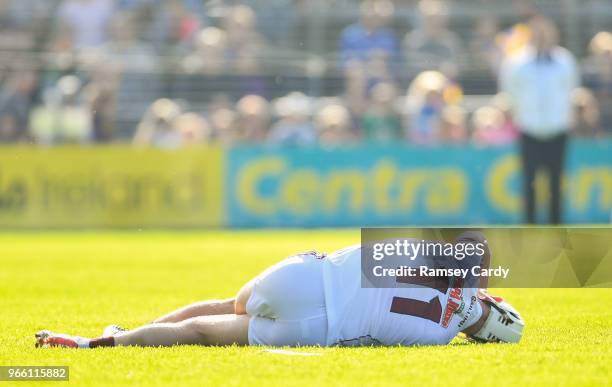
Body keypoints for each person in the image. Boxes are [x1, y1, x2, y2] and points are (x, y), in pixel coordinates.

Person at [35, 231, 524, 348]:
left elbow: (474, 243)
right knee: (209, 333)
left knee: (231, 301)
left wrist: (477, 286)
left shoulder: (431, 257)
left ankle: (121, 332)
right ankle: (104, 343)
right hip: (321, 327)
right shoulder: (439, 338)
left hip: (309, 278)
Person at [499, 17, 578, 224]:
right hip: (529, 129)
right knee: (530, 182)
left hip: (558, 130)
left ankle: (556, 227)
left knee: (556, 182)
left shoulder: (565, 61)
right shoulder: (516, 62)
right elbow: (510, 92)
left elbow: (570, 89)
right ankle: (530, 227)